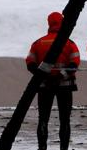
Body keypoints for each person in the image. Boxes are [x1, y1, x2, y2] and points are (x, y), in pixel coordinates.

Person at [26, 12, 80, 150]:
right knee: (65, 120)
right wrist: (60, 76)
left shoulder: (38, 43)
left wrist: (45, 77)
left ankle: (42, 147)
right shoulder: (69, 43)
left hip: (44, 86)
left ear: (49, 23)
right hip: (65, 86)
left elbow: (30, 64)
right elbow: (74, 63)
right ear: (62, 23)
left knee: (43, 119)